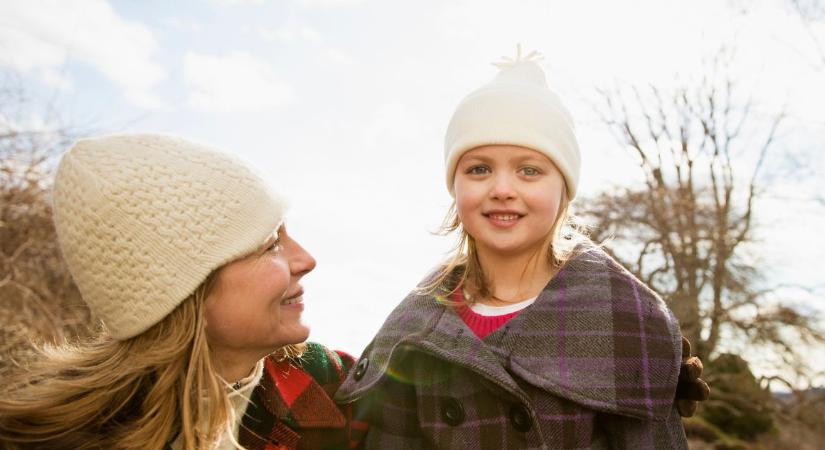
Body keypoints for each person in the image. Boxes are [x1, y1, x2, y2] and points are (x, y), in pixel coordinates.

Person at [335, 48, 706, 448]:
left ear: (563, 190)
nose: (502, 190)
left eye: (529, 170)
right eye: (479, 169)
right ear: (454, 184)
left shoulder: (626, 321)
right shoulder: (413, 330)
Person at [0, 134, 365, 450]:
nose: (306, 259)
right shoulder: (57, 439)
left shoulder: (339, 388)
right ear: (187, 296)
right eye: (271, 245)